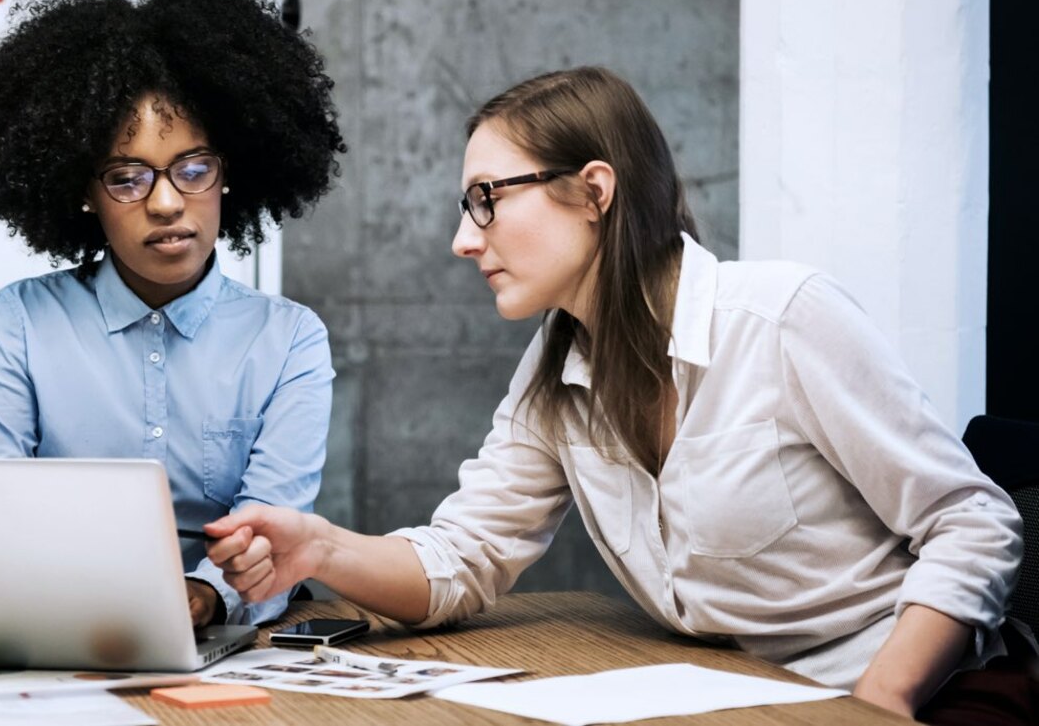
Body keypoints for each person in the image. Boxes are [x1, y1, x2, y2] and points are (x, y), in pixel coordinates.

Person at [203, 66, 1035, 723]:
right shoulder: (555, 363)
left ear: (594, 191)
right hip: (741, 698)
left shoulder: (781, 318)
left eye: (486, 199)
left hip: (916, 695)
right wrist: (318, 547)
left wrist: (878, 702)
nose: (462, 239)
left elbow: (974, 523)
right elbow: (464, 559)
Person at [0, 0, 343, 628]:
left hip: (223, 637)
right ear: (83, 192)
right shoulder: (18, 323)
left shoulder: (288, 341)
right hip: (54, 625)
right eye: (127, 177)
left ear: (229, 176)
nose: (165, 203)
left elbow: (273, 531)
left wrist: (205, 594)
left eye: (193, 168)